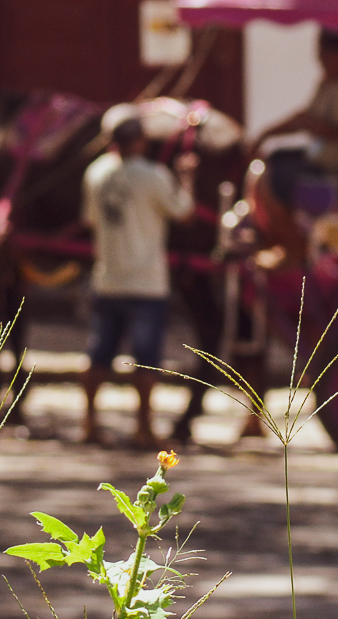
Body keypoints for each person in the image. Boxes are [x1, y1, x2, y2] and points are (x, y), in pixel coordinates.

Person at [80, 116, 195, 448]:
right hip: (146, 282)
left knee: (98, 355)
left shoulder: (97, 173)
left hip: (108, 277)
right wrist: (186, 177)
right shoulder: (154, 176)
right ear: (142, 142)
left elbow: (90, 219)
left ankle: (89, 421)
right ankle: (143, 427)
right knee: (146, 360)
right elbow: (184, 213)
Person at [255, 28, 338, 216]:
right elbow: (304, 119)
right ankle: (284, 233)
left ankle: (293, 237)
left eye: (322, 55)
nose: (319, 61)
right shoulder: (329, 81)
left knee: (281, 177)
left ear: (337, 54)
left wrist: (327, 130)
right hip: (317, 160)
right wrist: (265, 135)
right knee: (273, 160)